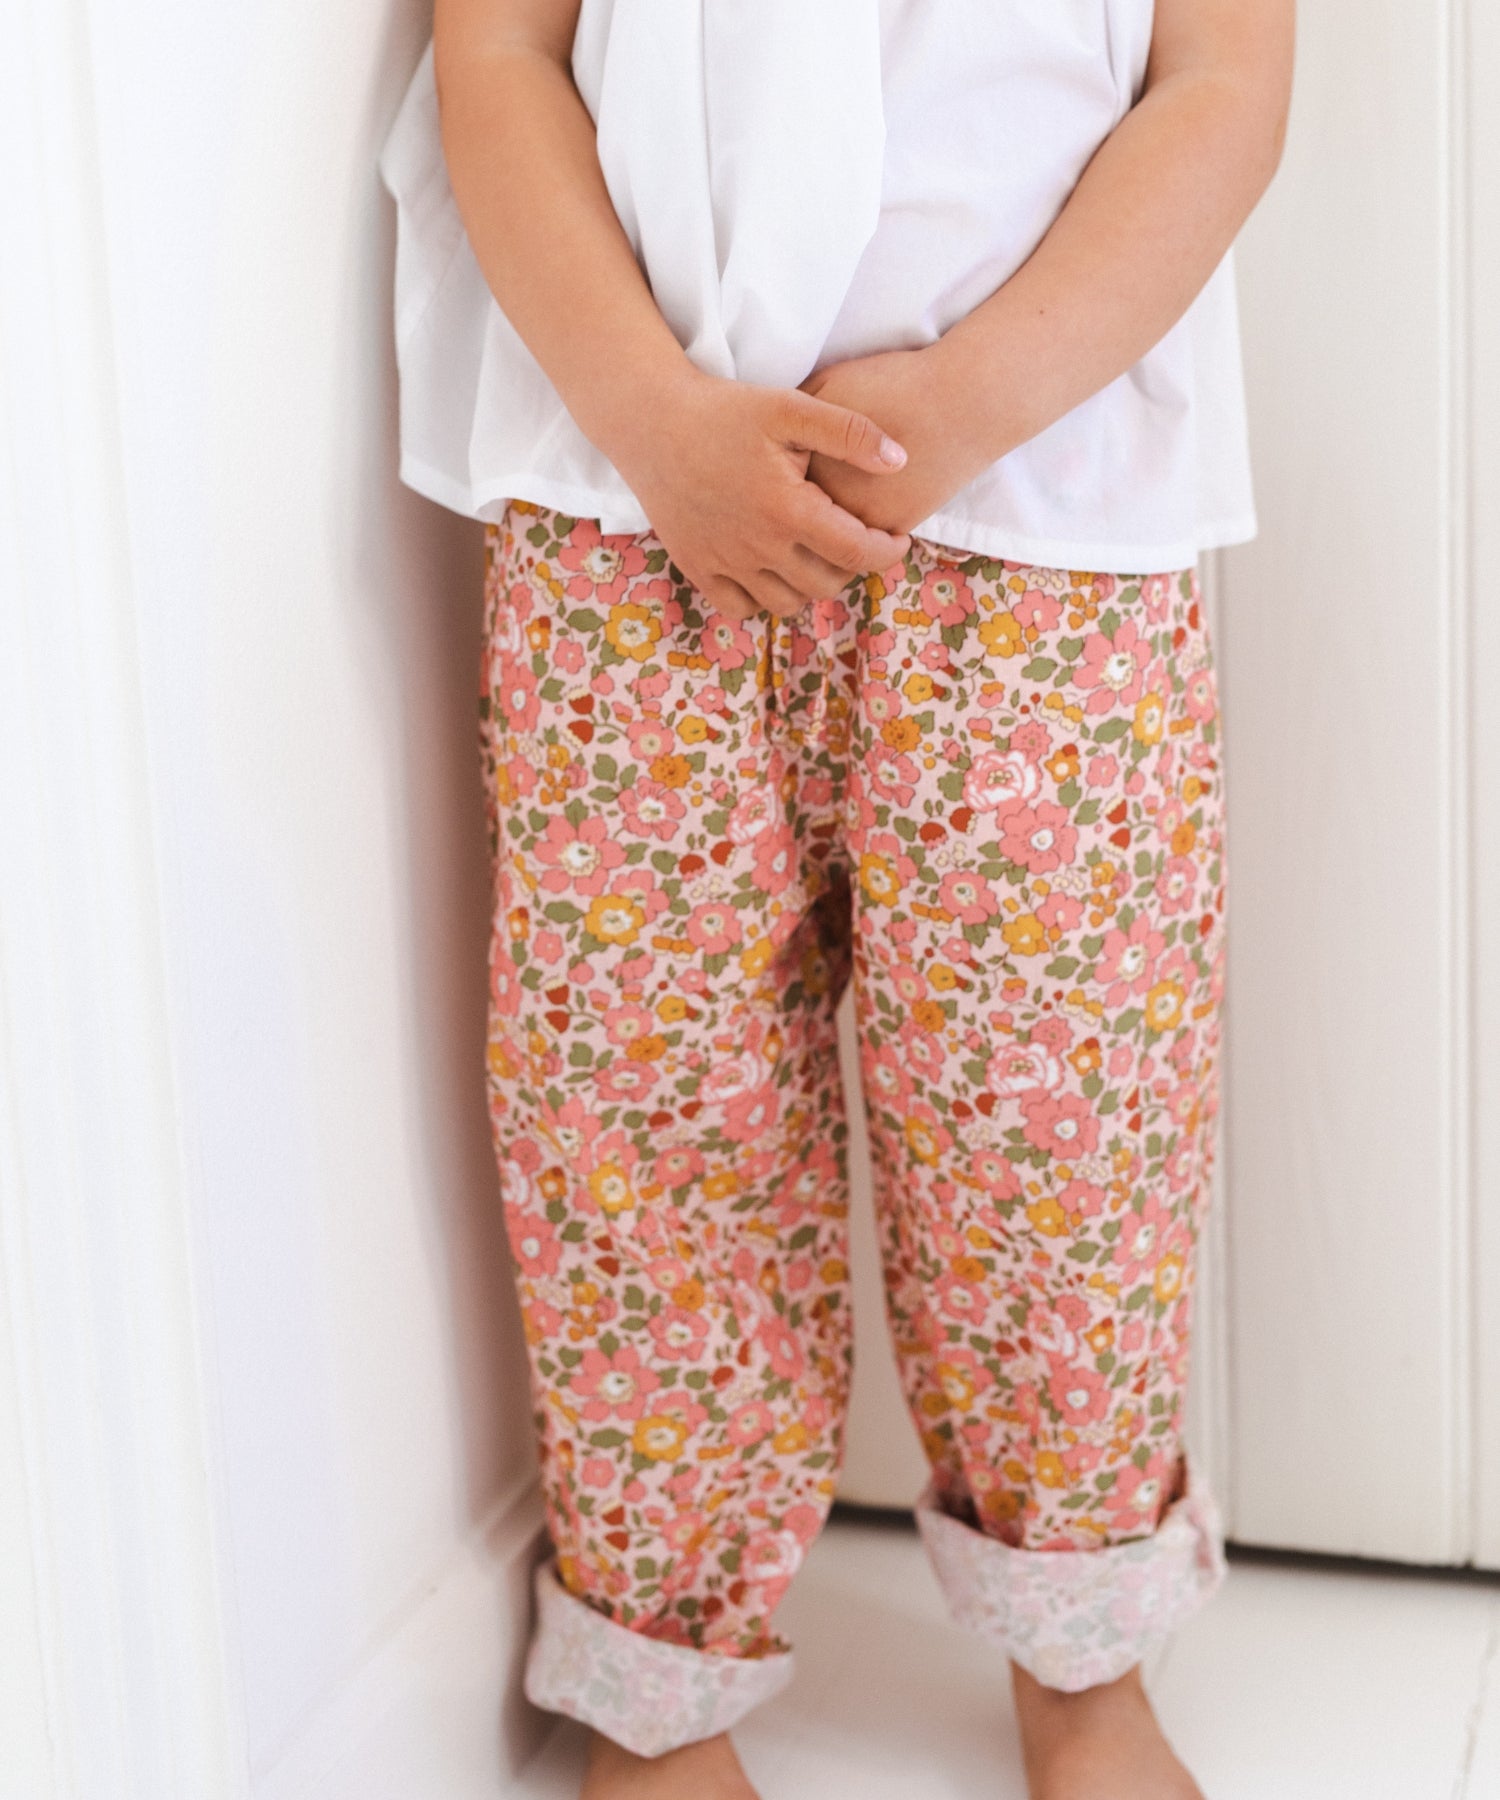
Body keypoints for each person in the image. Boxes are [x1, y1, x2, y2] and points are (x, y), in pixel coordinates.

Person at [377, 2, 1294, 1795]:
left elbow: (1224, 90)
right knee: (645, 1120)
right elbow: (494, 60)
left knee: (1059, 1134)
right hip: (635, 516)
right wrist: (653, 417)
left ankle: (1082, 1658)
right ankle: (657, 1693)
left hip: (1039, 519)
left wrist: (964, 405)